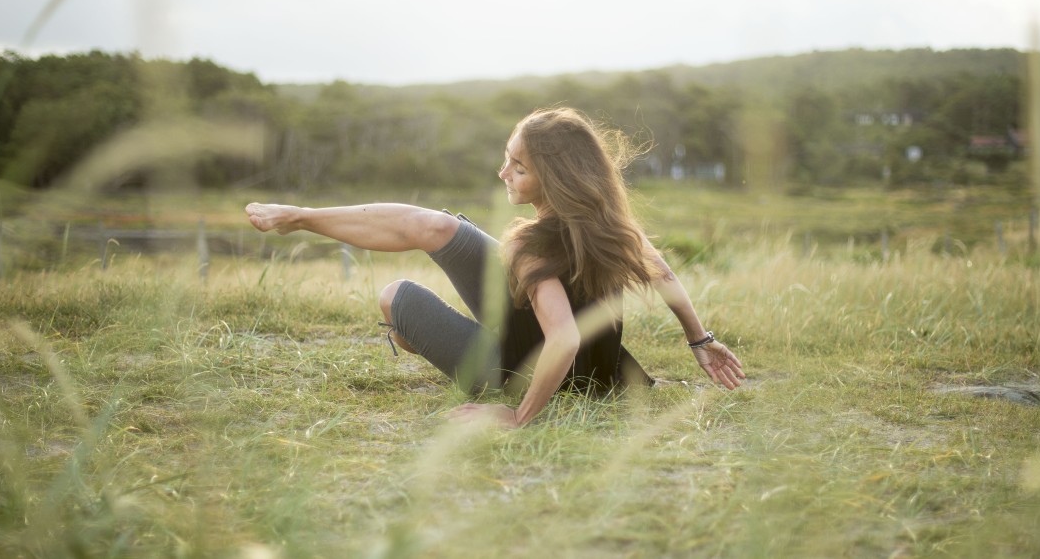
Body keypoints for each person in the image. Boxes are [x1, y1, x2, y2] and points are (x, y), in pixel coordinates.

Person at [245, 107, 744, 428]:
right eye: (508, 158)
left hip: (524, 375)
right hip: (602, 372)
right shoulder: (611, 224)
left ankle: (416, 334)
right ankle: (301, 216)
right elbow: (664, 275)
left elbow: (564, 338)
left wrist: (518, 416)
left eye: (518, 168)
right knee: (437, 226)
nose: (503, 172)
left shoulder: (529, 243)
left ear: (555, 179)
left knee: (396, 298)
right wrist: (700, 341)